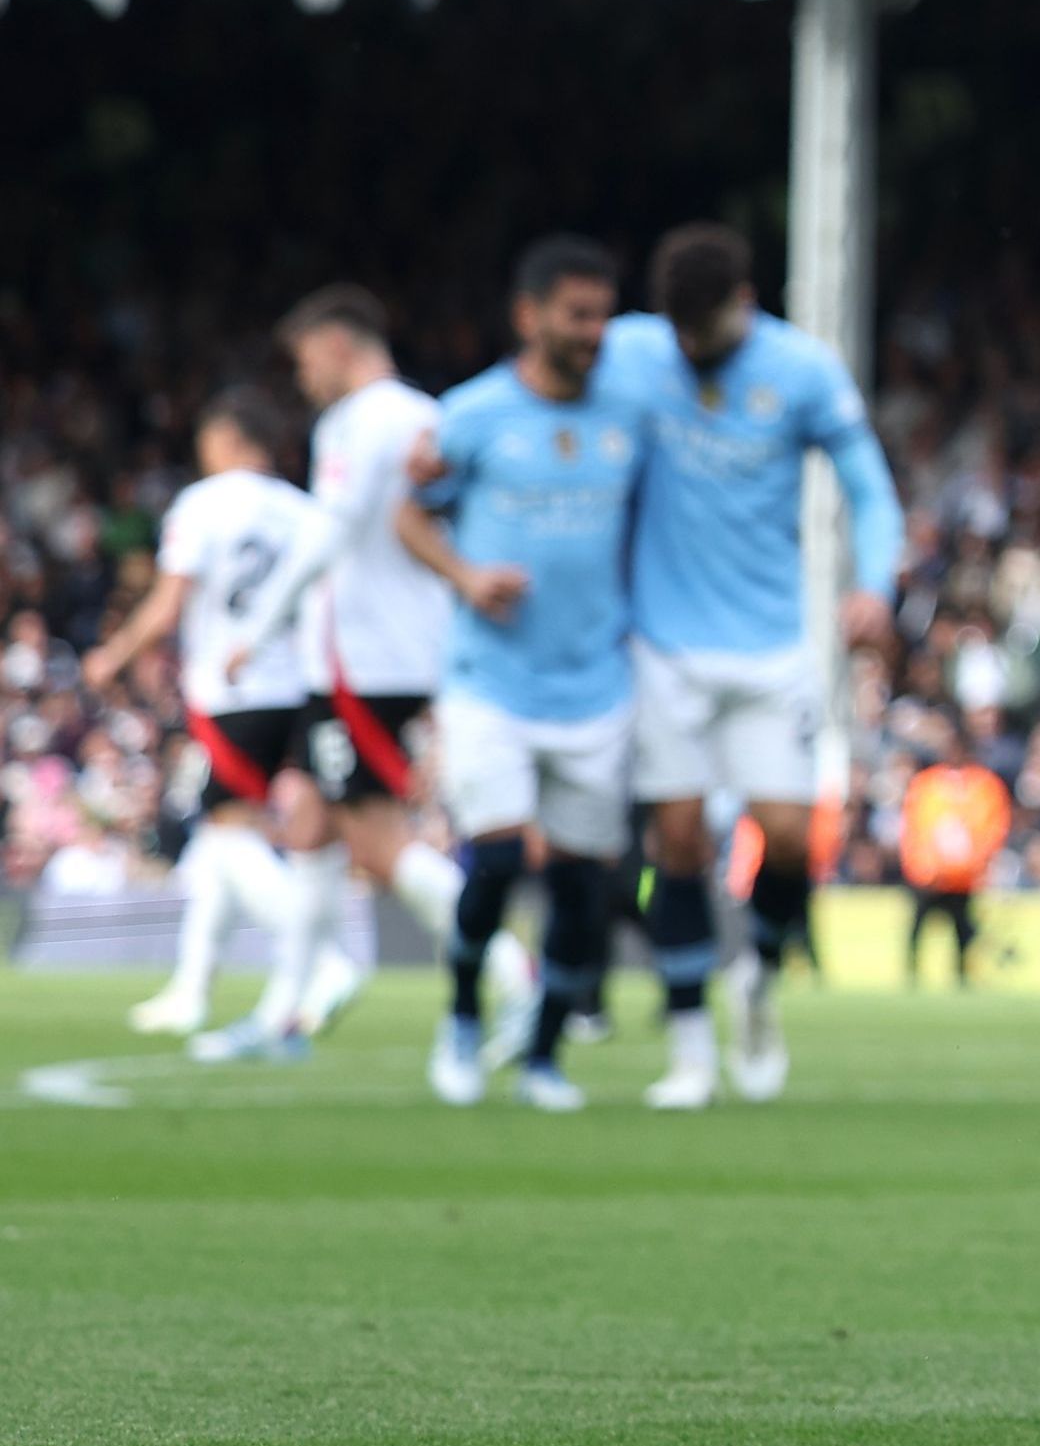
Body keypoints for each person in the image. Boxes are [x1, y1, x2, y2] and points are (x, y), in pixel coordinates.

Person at [601, 222, 906, 1110]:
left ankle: (759, 981)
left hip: (774, 645)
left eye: (708, 331)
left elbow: (869, 485)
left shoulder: (802, 370)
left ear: (744, 302)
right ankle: (691, 1047)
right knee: (680, 839)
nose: (692, 349)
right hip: (662, 646)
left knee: (783, 833)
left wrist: (874, 584)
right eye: (679, 334)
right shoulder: (632, 351)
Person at [394, 235, 649, 1113]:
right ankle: (463, 1018)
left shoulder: (628, 409)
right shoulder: (470, 416)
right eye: (577, 314)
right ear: (529, 316)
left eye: (603, 314)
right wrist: (465, 577)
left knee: (584, 888)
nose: (594, 330)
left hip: (596, 687)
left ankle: (543, 1056)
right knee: (498, 860)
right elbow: (410, 516)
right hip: (490, 682)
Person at [86, 389, 334, 1059]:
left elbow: (169, 607)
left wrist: (113, 654)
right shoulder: (303, 509)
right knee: (223, 836)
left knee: (227, 836)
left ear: (223, 440)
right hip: (298, 687)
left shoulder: (202, 505)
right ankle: (191, 987)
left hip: (231, 690)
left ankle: (325, 958)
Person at [279, 285, 473, 1035]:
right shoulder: (429, 416)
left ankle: (512, 976)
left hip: (361, 662)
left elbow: (333, 530)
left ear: (335, 346)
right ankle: (297, 1004)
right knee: (307, 820)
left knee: (378, 844)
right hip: (394, 652)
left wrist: (259, 621)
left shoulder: (358, 422)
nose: (303, 380)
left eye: (304, 361)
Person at [896, 717, 1010, 988]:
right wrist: (920, 864)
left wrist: (976, 864)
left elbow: (993, 827)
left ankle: (961, 977)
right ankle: (912, 975)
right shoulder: (926, 783)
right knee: (918, 927)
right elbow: (913, 827)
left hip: (963, 877)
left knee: (962, 931)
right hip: (928, 875)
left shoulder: (984, 784)